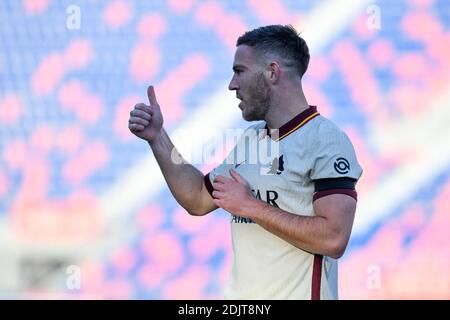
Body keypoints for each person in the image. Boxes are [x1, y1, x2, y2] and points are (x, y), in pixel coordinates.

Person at [128, 25, 363, 300]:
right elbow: (197, 198)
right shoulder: (252, 139)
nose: (232, 84)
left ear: (272, 72)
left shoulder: (326, 140)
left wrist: (250, 206)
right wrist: (157, 138)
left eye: (239, 71)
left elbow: (333, 239)